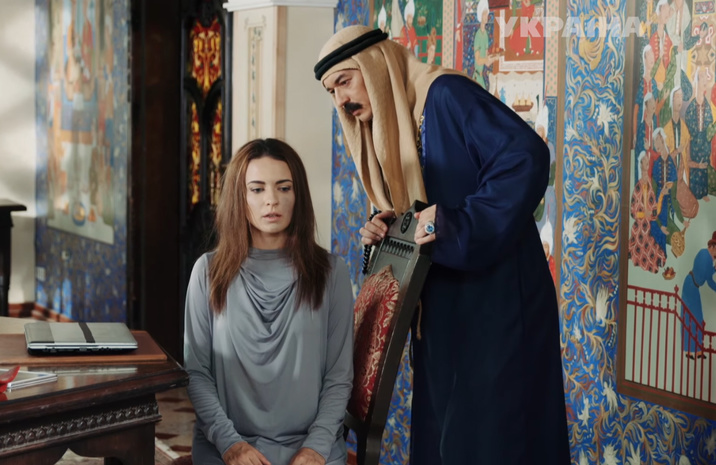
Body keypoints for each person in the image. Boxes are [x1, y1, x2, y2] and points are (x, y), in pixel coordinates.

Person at [314, 25, 570, 465]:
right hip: (443, 312)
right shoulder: (401, 116)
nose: (341, 100)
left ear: (375, 67)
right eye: (331, 91)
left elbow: (525, 157)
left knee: (492, 441)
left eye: (344, 81)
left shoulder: (447, 95)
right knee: (448, 441)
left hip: (498, 303)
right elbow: (422, 206)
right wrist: (389, 225)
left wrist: (456, 223)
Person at [184, 138, 354, 465]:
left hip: (312, 446)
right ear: (239, 196)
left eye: (284, 188)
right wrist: (231, 445)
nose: (271, 200)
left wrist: (316, 448)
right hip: (226, 445)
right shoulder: (207, 272)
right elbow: (197, 372)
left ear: (298, 195)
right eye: (257, 189)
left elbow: (339, 375)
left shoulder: (331, 273)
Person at [680, 231, 716, 360]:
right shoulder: (704, 255)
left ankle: (697, 350)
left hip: (693, 286)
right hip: (690, 285)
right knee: (691, 318)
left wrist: (714, 269)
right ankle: (690, 350)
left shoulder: (708, 257)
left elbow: (707, 275)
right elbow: (708, 278)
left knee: (697, 318)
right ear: (713, 247)